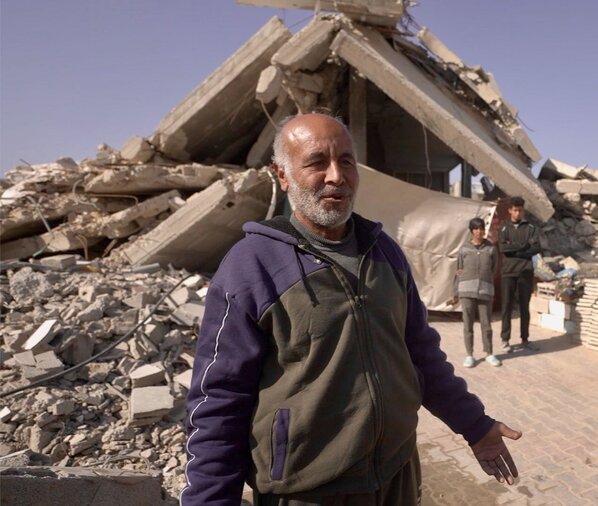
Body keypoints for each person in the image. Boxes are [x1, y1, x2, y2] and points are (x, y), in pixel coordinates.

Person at [181, 113, 522, 505]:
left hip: (396, 476)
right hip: (308, 491)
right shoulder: (250, 266)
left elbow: (421, 356)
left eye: (346, 161)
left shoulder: (385, 252)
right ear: (283, 175)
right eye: (316, 162)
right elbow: (218, 402)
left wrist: (474, 425)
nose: (336, 176)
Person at [454, 217, 501, 368]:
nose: (479, 231)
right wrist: (456, 290)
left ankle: (489, 353)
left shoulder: (491, 248)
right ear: (471, 231)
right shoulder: (464, 249)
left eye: (481, 228)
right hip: (466, 291)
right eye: (476, 229)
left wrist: (487, 280)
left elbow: (494, 269)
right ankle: (470, 355)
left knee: (486, 325)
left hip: (485, 290)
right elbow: (459, 270)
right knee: (468, 325)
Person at [499, 197, 541, 352]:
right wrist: (524, 246)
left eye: (520, 210)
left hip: (525, 271)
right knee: (507, 306)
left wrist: (514, 249)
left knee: (524, 306)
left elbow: (536, 248)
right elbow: (503, 248)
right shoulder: (504, 228)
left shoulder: (531, 228)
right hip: (508, 272)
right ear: (510, 210)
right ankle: (505, 339)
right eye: (515, 210)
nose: (518, 213)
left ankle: (525, 339)